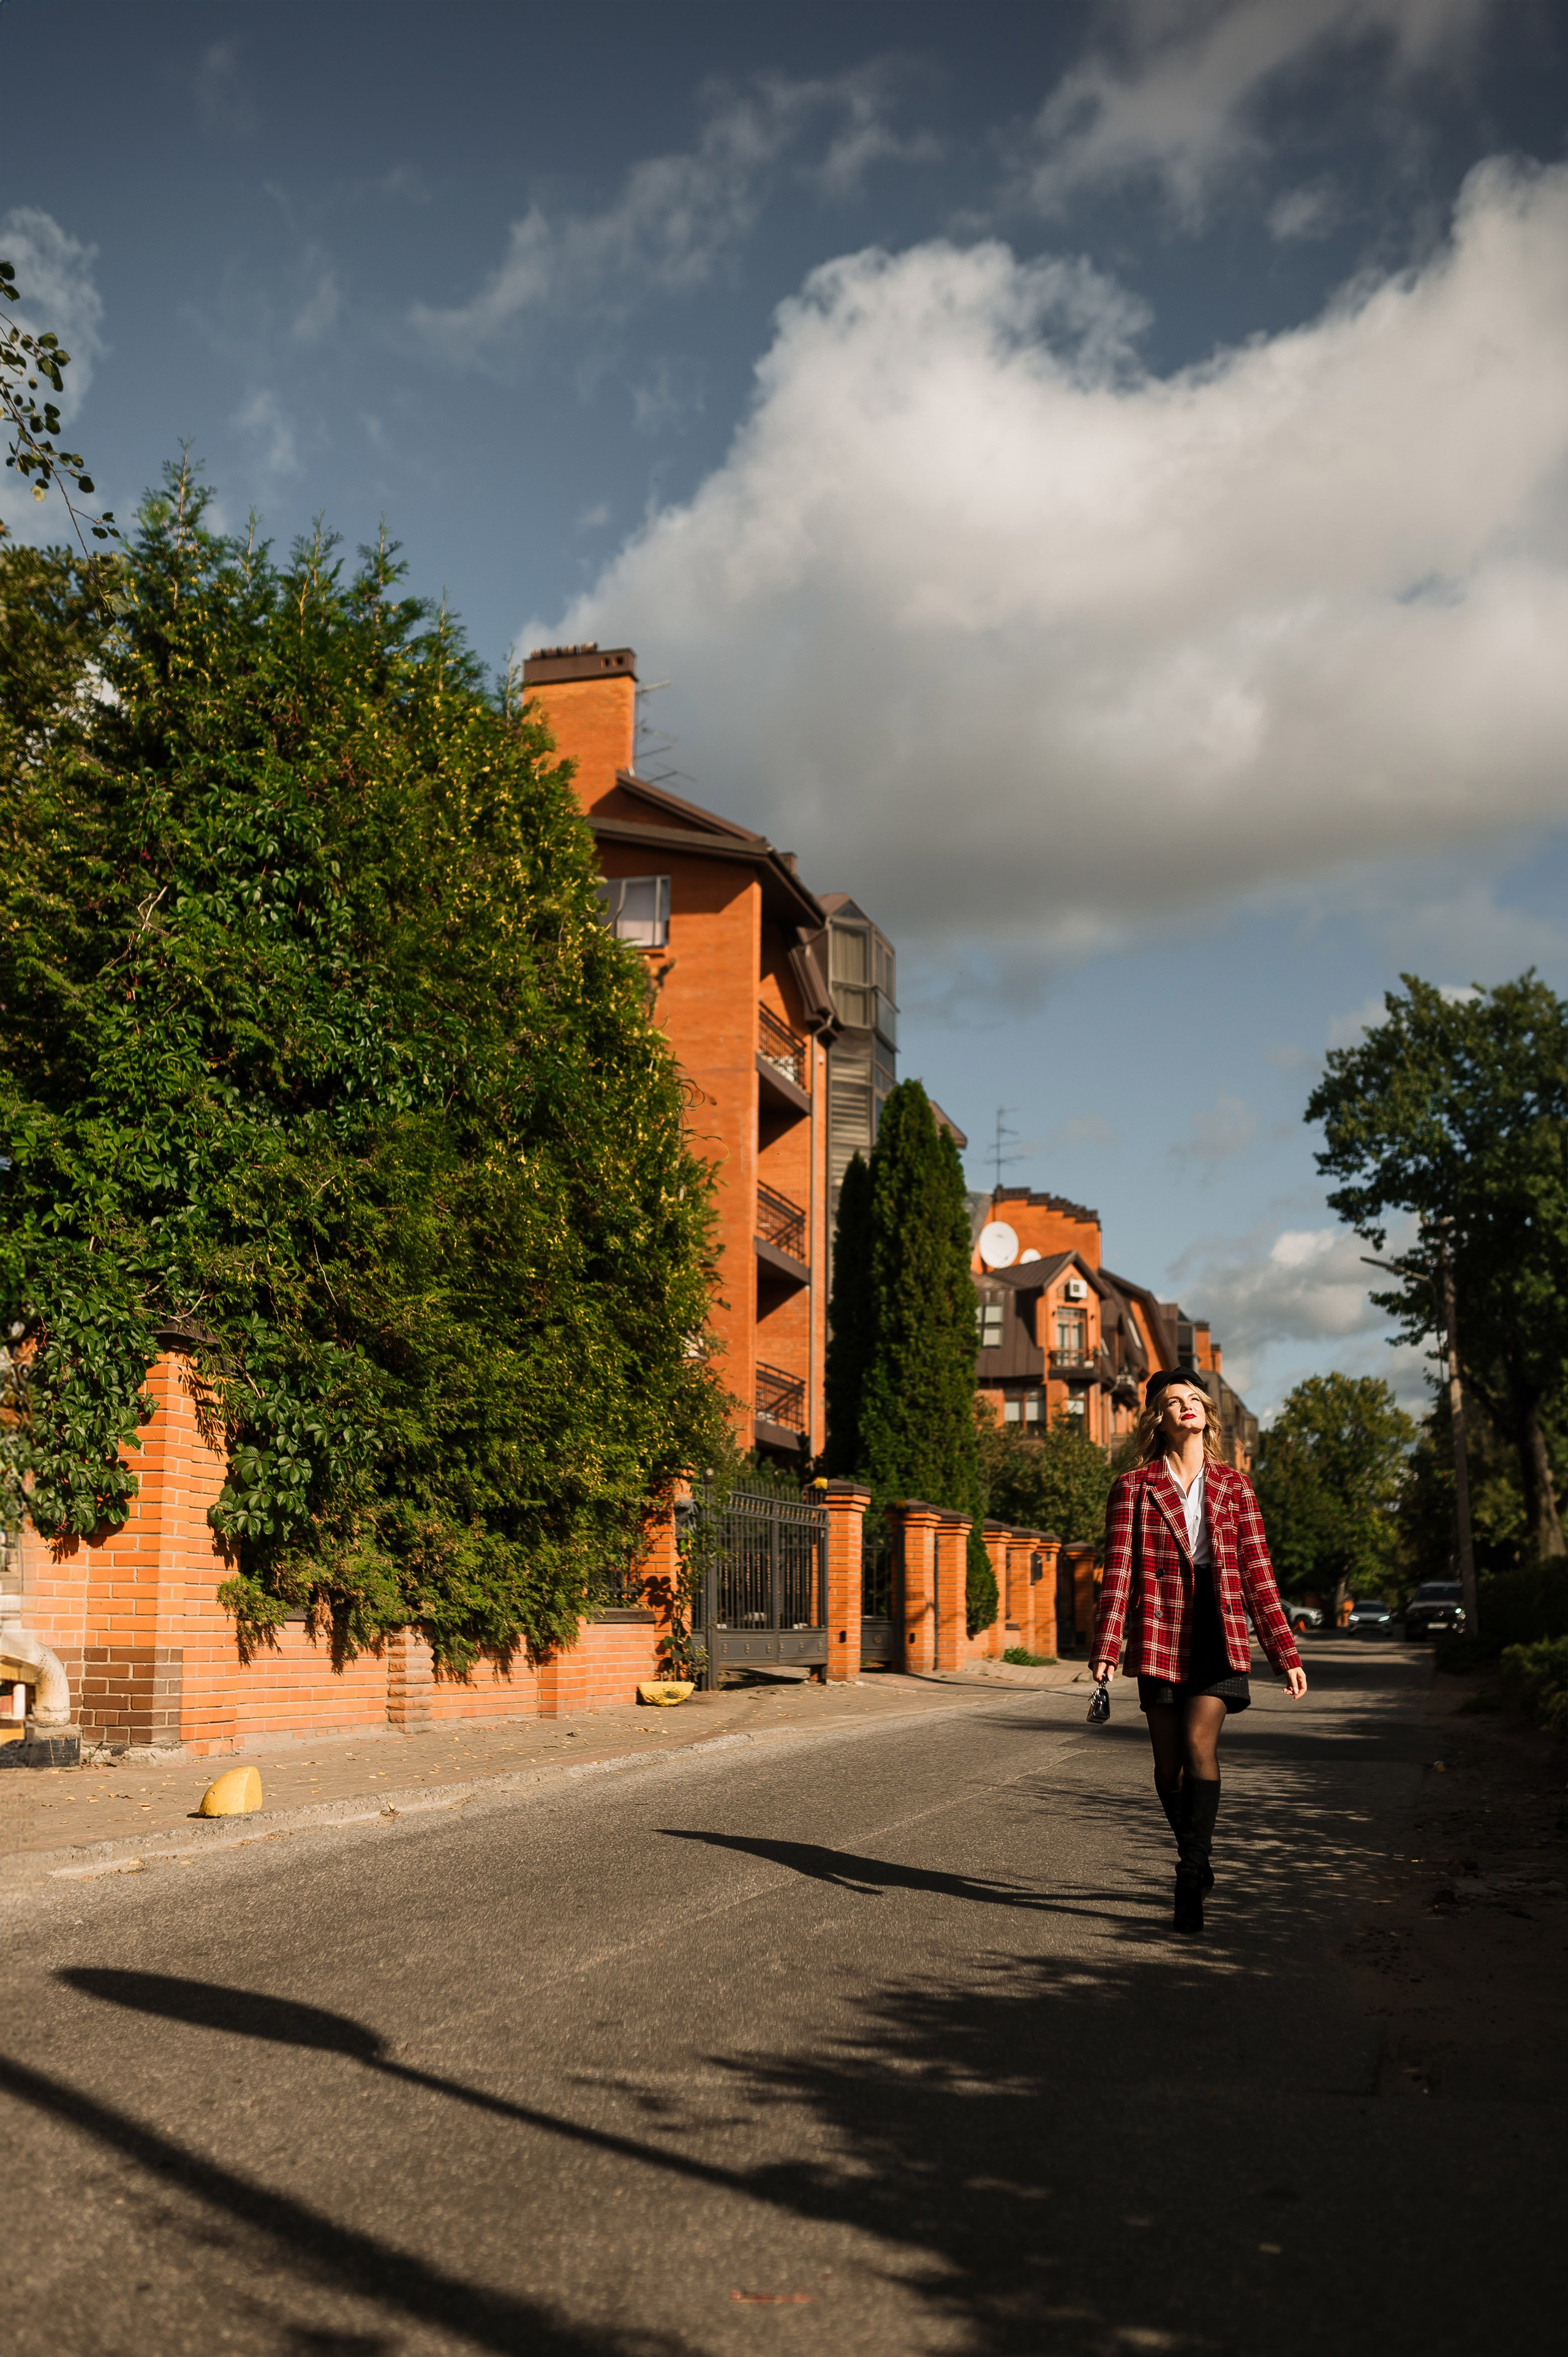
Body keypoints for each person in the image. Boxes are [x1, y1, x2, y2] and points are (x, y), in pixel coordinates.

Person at [1091, 1368, 1306, 1934]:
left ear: (1208, 1416)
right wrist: (1109, 1646)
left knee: (1195, 1742)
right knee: (1167, 1767)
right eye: (1173, 1401)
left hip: (1218, 1626)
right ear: (1159, 1419)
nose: (1187, 1406)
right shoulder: (1133, 1487)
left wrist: (1285, 1654)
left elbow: (1260, 1577)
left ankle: (1189, 1871)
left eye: (1195, 1400)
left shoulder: (1236, 1487)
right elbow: (1119, 1574)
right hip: (1160, 1628)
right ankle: (1200, 1854)